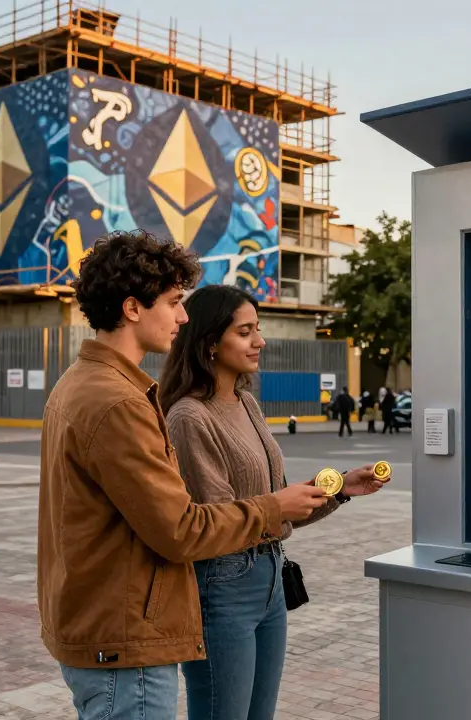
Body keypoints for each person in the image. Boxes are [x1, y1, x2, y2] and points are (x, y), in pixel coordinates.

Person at [38, 230, 329, 720]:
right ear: (133, 308)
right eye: (173, 302)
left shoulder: (87, 384)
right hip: (124, 636)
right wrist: (273, 507)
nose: (183, 316)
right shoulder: (118, 401)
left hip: (112, 626)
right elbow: (179, 530)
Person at [160, 284, 387, 720]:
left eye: (257, 330)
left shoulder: (246, 403)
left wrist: (339, 488)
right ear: (210, 342)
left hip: (269, 579)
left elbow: (274, 501)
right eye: (245, 332)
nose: (259, 341)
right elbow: (213, 522)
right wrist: (278, 508)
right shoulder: (189, 416)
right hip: (221, 587)